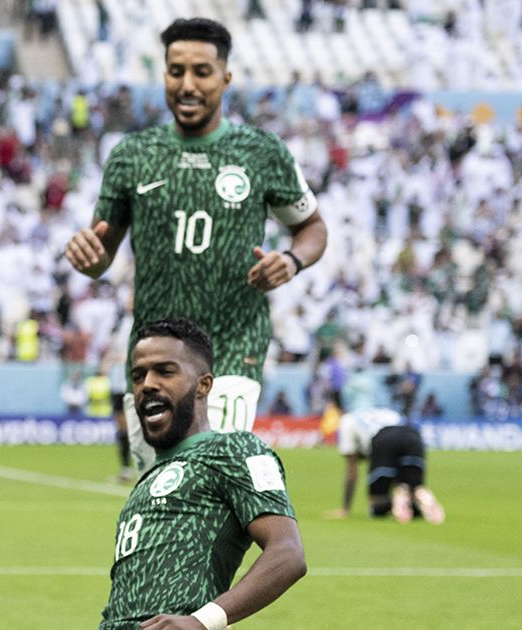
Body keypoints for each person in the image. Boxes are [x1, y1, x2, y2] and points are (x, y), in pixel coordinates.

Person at [64, 17, 328, 474]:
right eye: (175, 71)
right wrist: (88, 257)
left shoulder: (262, 153)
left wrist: (291, 259)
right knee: (160, 496)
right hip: (153, 356)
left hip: (231, 348)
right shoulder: (132, 156)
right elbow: (101, 251)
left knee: (208, 480)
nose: (187, 84)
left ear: (225, 77)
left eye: (201, 72)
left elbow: (314, 229)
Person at [100, 318, 306, 629]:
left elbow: (288, 553)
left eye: (165, 371)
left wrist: (202, 621)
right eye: (138, 375)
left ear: (203, 384)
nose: (148, 384)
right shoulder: (147, 480)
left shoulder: (234, 449)